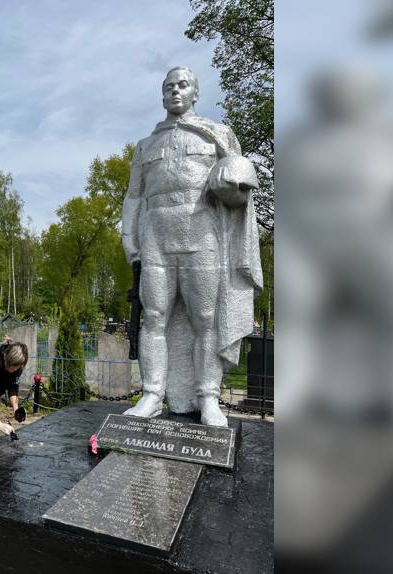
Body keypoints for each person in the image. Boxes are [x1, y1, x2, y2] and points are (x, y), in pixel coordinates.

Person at [121, 67, 263, 426]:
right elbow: (134, 195)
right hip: (157, 238)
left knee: (206, 320)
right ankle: (153, 394)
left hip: (202, 237)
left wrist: (236, 183)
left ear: (196, 93)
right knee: (153, 318)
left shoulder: (218, 135)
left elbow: (239, 180)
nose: (174, 92)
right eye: (168, 87)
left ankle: (208, 398)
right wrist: (128, 236)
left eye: (182, 85)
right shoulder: (146, 146)